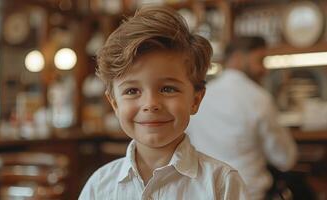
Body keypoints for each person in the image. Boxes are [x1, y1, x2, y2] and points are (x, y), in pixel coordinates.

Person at [79, 6, 249, 200]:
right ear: (115, 104)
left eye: (168, 89)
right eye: (132, 91)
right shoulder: (99, 187)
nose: (151, 104)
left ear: (195, 100)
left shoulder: (222, 184)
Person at [187, 36, 298, 200]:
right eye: (260, 61)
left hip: (203, 193)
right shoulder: (258, 97)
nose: (264, 70)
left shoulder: (199, 97)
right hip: (248, 193)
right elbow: (285, 158)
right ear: (237, 58)